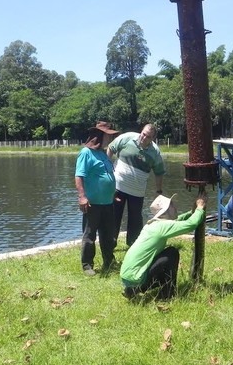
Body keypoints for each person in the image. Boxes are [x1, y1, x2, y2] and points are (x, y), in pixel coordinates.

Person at [120, 192, 207, 300]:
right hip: (137, 277)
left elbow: (176, 221)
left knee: (167, 255)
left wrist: (192, 212)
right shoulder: (162, 226)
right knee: (171, 253)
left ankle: (132, 289)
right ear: (165, 211)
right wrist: (200, 207)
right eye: (172, 205)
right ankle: (167, 293)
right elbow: (191, 225)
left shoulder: (152, 224)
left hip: (128, 277)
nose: (175, 207)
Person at [107, 124, 166, 248]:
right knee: (113, 217)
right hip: (117, 187)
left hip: (137, 192)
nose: (144, 138)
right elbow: (111, 148)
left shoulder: (155, 151)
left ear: (153, 138)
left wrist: (159, 191)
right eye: (143, 134)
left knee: (135, 220)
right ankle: (110, 244)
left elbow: (159, 172)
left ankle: (133, 245)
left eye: (148, 137)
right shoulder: (127, 138)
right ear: (141, 131)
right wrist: (107, 169)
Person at [75, 121, 119, 276]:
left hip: (107, 203)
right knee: (90, 236)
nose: (110, 139)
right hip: (92, 203)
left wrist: (111, 193)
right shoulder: (86, 153)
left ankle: (109, 260)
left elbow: (106, 176)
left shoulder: (102, 153)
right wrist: (82, 197)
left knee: (108, 236)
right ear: (100, 136)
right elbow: (79, 176)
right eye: (109, 136)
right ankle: (87, 265)